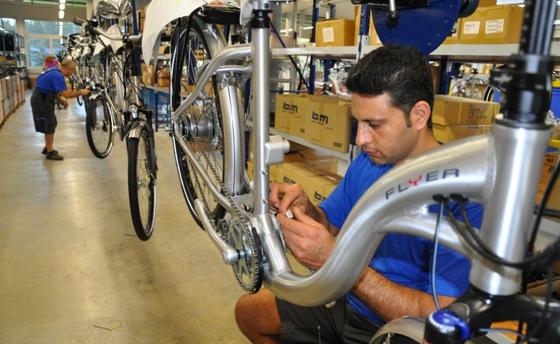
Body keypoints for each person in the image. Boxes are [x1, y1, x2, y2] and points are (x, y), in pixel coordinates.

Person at [235, 45, 484, 343]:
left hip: (400, 325)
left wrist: (340, 266)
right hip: (346, 297)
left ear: (419, 115)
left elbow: (443, 314)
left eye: (374, 125)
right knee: (250, 313)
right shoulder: (370, 161)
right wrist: (307, 211)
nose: (360, 138)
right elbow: (333, 226)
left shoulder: (464, 197)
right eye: (358, 122)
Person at [31, 58, 90, 161]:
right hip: (42, 99)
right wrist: (81, 92)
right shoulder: (58, 76)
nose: (72, 74)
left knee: (50, 122)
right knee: (50, 122)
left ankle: (48, 147)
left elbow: (52, 88)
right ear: (68, 68)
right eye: (72, 71)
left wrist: (60, 98)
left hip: (42, 97)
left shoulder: (54, 71)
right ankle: (50, 152)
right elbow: (67, 94)